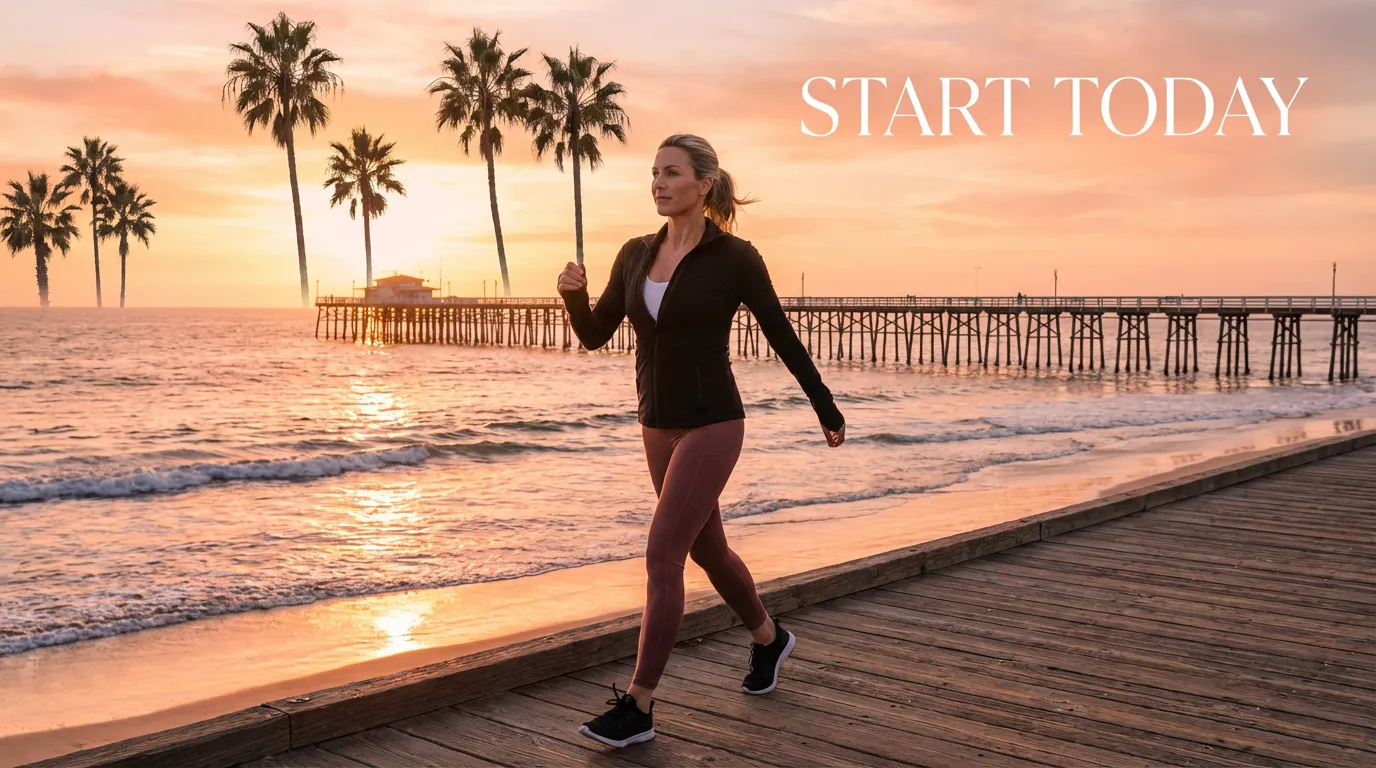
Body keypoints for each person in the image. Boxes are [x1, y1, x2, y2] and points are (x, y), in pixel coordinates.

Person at [556, 133, 847, 749]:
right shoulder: (636, 253)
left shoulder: (735, 257)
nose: (659, 183)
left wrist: (824, 405)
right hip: (655, 424)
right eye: (654, 173)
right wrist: (573, 295)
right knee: (706, 550)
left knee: (662, 556)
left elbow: (782, 336)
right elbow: (594, 334)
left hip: (714, 421)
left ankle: (638, 706)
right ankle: (770, 638)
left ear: (703, 184)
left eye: (672, 172)